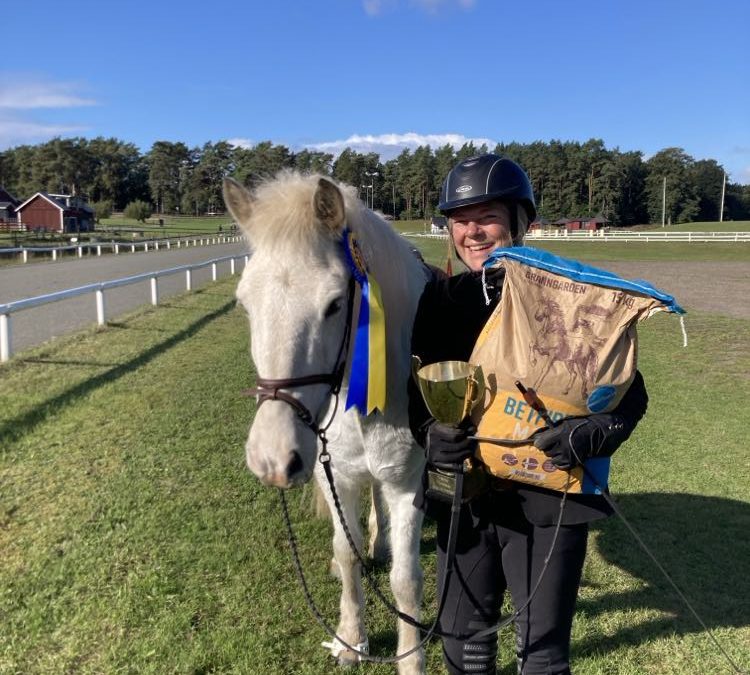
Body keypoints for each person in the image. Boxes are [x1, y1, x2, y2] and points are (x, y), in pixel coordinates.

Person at [408, 154, 648, 674]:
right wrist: (431, 438)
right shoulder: (440, 300)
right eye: (459, 219)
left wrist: (595, 432)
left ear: (522, 221)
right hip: (465, 503)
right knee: (465, 649)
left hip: (548, 497)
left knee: (541, 655)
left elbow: (630, 397)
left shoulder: (568, 296)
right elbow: (417, 399)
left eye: (487, 216)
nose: (472, 231)